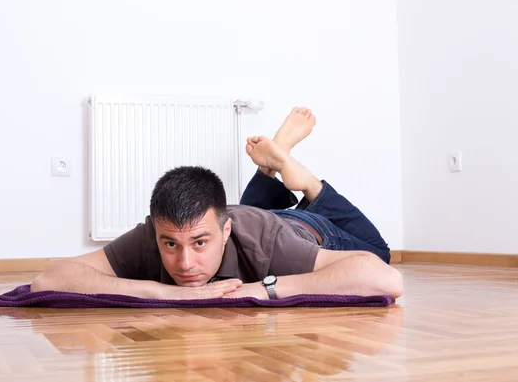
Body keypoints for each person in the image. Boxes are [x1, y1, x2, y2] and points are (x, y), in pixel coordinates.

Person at [31, 107, 403, 300]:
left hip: (303, 230)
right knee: (240, 216)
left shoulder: (270, 244)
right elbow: (49, 279)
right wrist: (161, 291)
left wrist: (262, 288)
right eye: (171, 245)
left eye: (200, 243)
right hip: (248, 219)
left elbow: (384, 277)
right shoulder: (155, 233)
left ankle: (305, 182)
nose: (185, 263)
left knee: (380, 251)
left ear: (223, 233)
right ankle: (269, 169)